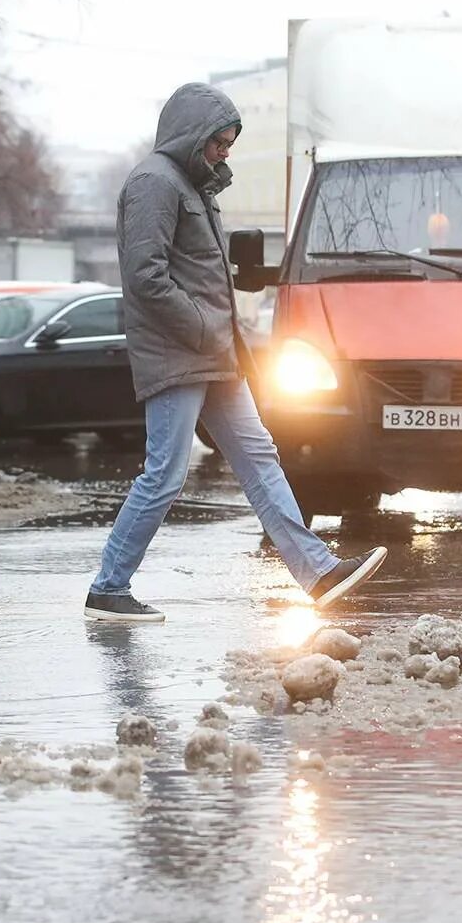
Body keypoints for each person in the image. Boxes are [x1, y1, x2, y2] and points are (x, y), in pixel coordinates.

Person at [85, 82, 387, 623]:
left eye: (230, 142)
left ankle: (317, 573)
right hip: (182, 355)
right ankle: (109, 586)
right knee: (165, 475)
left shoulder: (192, 185)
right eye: (219, 141)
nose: (225, 152)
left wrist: (220, 338)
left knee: (260, 458)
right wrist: (205, 330)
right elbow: (145, 277)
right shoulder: (155, 182)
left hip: (215, 354)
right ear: (192, 135)